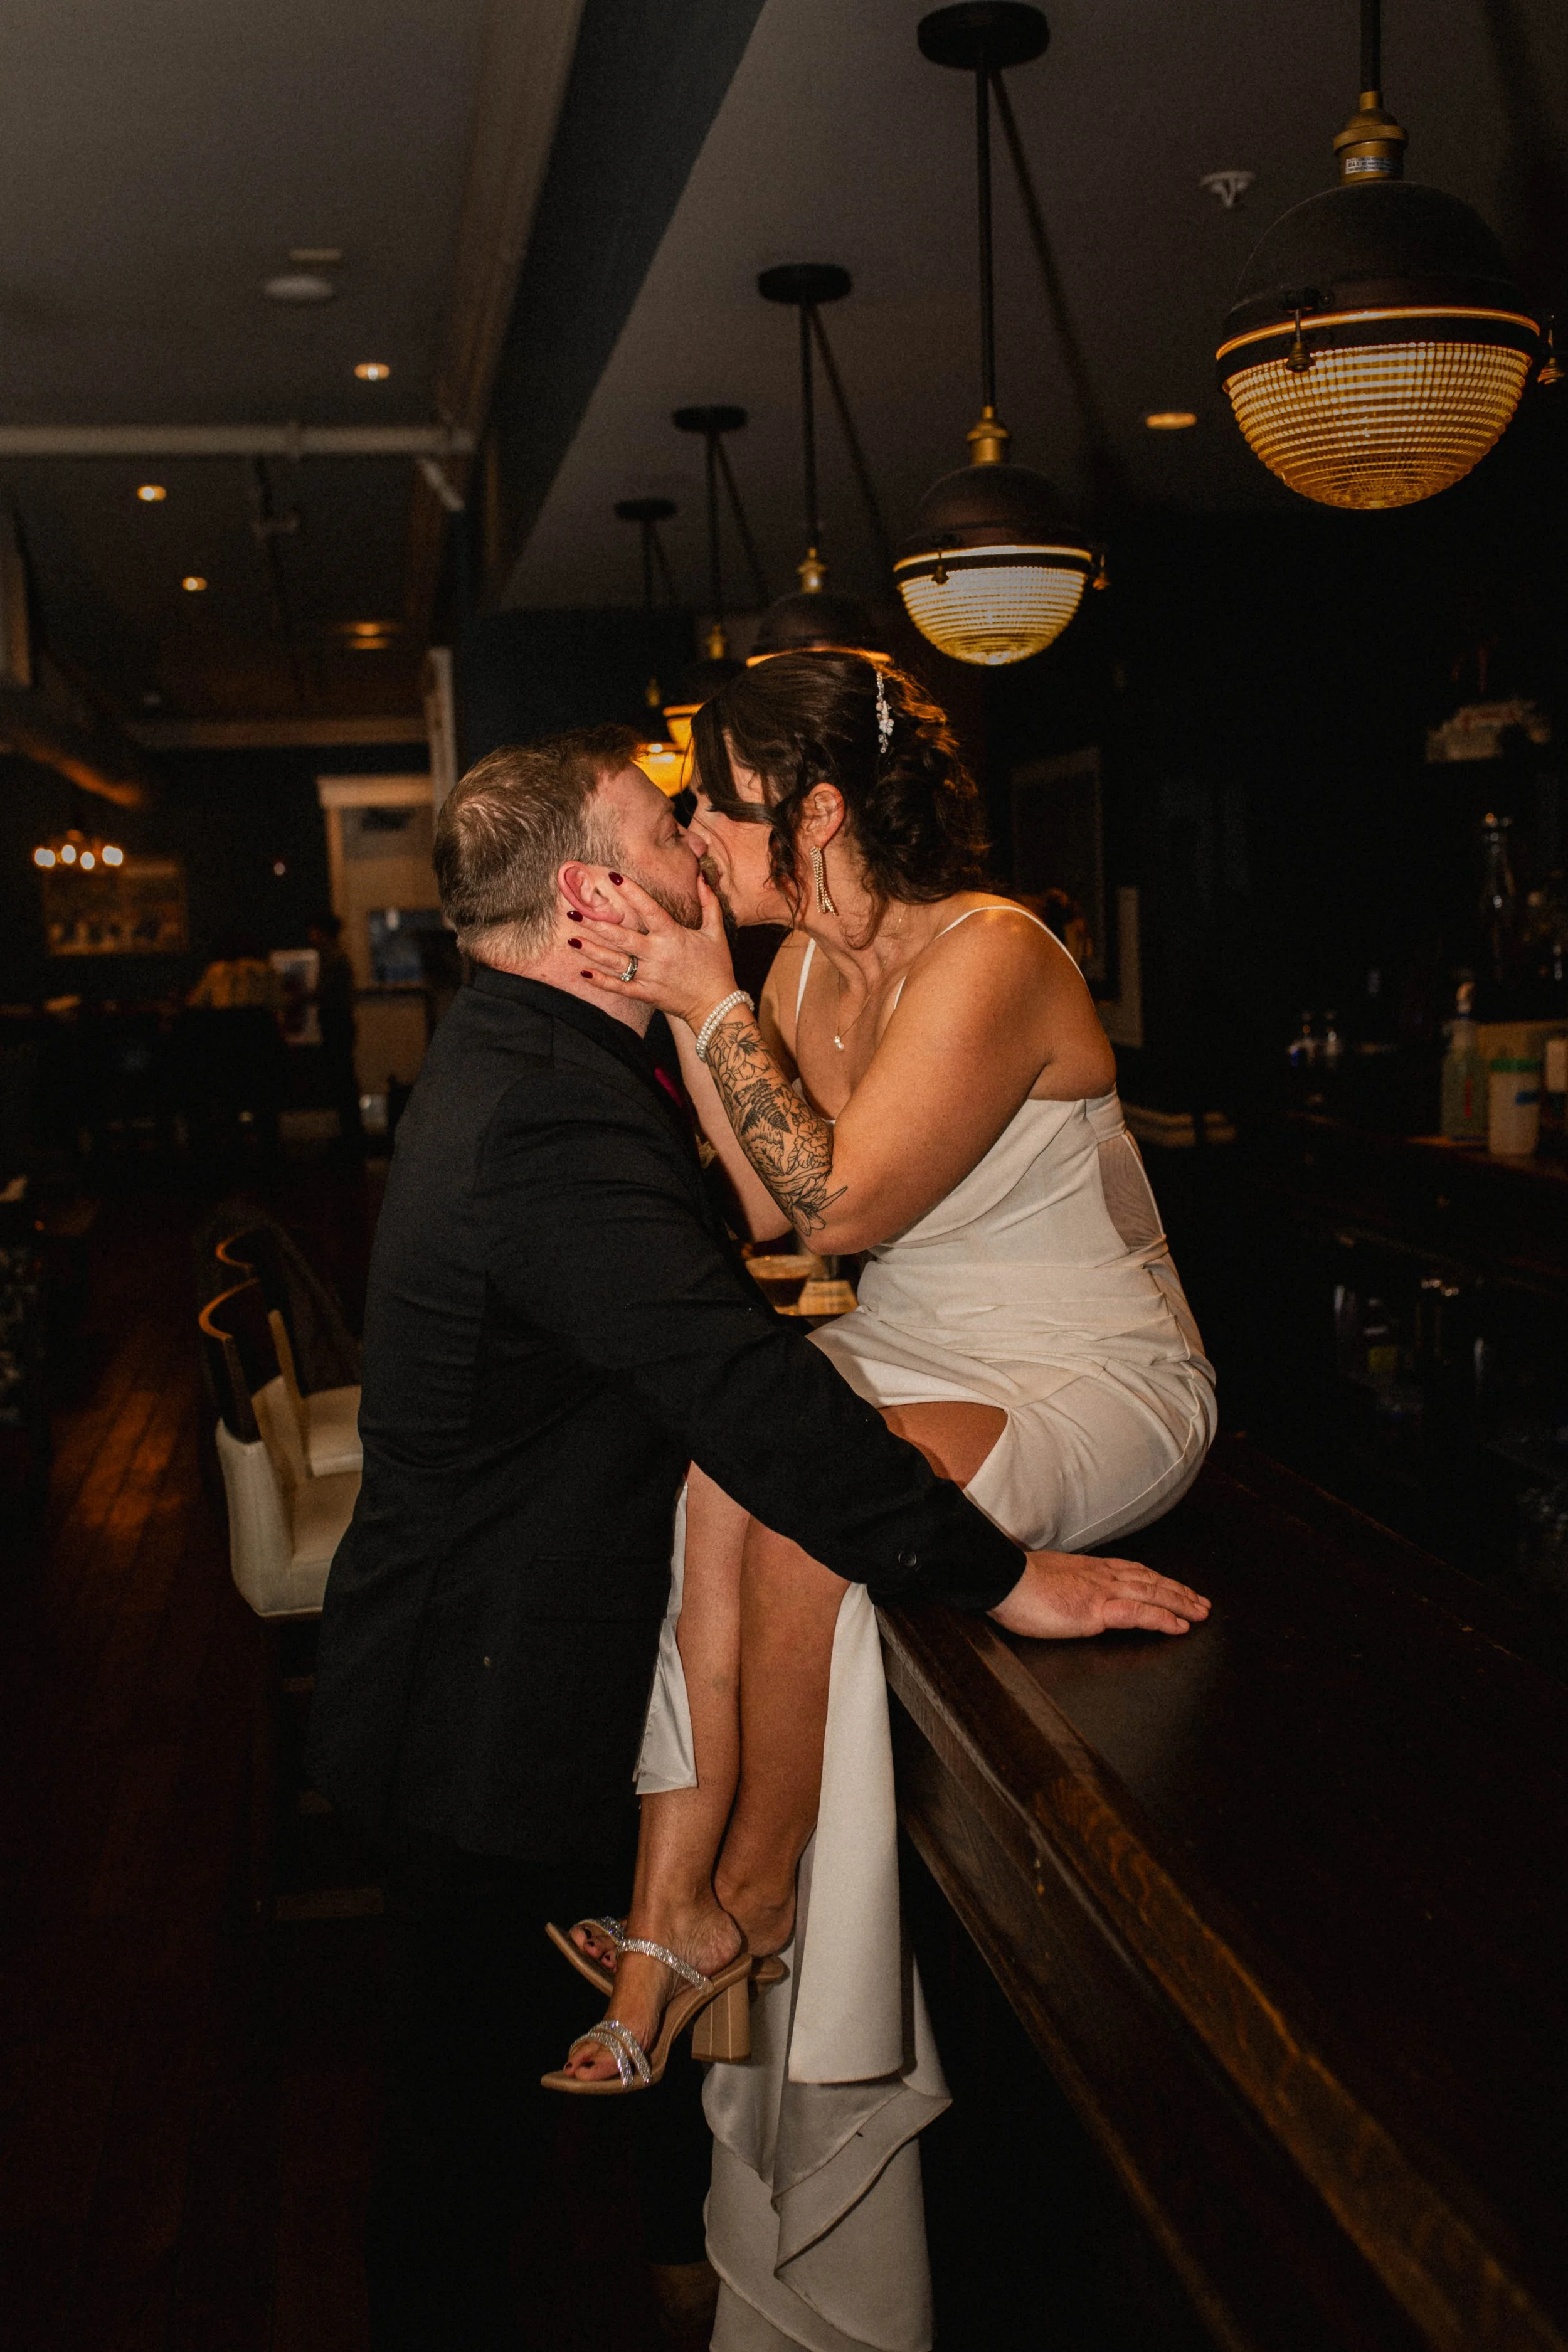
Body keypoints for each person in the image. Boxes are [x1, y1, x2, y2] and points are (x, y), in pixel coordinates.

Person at [304, 724, 1201, 2352]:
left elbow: (753, 1269)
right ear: (591, 892)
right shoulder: (540, 1109)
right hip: (483, 1692)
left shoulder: (562, 1051)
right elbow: (729, 1373)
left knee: (500, 2112)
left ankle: (686, 2200)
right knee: (452, 2153)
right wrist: (1005, 1569)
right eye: (663, 822)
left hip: (537, 1646)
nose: (691, 844)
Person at [558, 656, 1217, 2349]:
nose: (701, 831)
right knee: (723, 1459)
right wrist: (712, 995)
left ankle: (750, 1901)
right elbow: (772, 1220)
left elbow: (833, 1205)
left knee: (801, 1497)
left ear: (818, 810)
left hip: (1082, 1373)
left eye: (716, 801)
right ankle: (670, 1908)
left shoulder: (993, 949)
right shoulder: (792, 964)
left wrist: (706, 997)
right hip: (909, 1359)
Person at [309, 912, 366, 1156]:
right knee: (343, 1077)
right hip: (341, 1020)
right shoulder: (336, 955)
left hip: (336, 1021)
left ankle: (350, 1135)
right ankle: (351, 1133)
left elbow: (325, 992)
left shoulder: (333, 957)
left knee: (341, 1077)